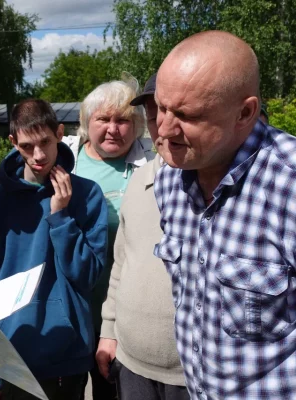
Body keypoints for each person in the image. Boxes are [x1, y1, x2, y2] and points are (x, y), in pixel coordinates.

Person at [153, 30, 296, 399]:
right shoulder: (170, 180)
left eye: (187, 115)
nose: (164, 129)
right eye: (161, 107)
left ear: (245, 112)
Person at [0, 99, 108, 400]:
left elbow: (87, 276)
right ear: (12, 143)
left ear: (60, 133)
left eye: (45, 142)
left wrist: (60, 217)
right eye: (26, 146)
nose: (38, 155)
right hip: (12, 357)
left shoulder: (87, 195)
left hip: (67, 355)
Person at [95, 73, 189, 400]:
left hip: (193, 373)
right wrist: (108, 331)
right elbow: (122, 263)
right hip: (132, 368)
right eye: (152, 115)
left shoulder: (214, 184)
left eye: (172, 112)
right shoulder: (139, 181)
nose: (162, 126)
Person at [62, 75, 154, 400]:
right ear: (88, 122)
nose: (113, 129)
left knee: (112, 391)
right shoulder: (65, 161)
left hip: (126, 314)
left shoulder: (154, 164)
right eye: (104, 119)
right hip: (72, 310)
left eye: (123, 120)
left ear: (138, 125)